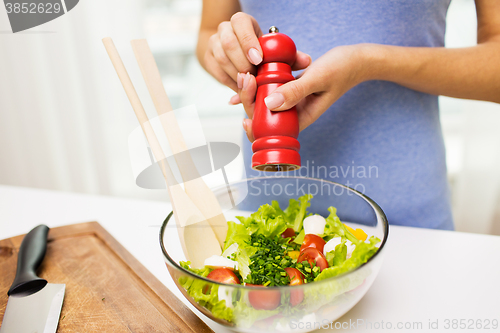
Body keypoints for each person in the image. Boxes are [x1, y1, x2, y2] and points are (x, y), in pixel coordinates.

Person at [195, 0, 500, 230]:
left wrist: (369, 62)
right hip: (269, 211)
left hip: (407, 220)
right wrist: (228, 53)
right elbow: (210, 31)